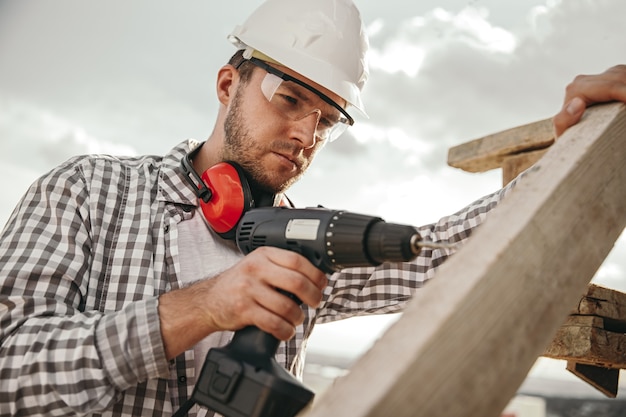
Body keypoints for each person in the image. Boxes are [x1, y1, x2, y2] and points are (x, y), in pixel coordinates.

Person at [0, 0, 625, 415]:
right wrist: (203, 306)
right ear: (227, 84)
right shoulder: (87, 191)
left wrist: (573, 158)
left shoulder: (301, 243)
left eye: (328, 120)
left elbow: (443, 251)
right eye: (289, 98)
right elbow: (10, 372)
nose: (307, 134)